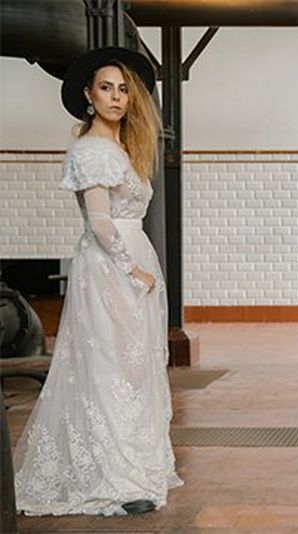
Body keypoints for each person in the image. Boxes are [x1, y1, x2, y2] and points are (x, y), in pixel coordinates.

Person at [13, 47, 182, 516]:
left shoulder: (119, 147)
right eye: (106, 88)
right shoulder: (92, 150)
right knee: (113, 368)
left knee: (134, 367)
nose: (116, 97)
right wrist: (134, 271)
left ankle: (134, 465)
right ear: (88, 95)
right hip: (112, 267)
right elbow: (101, 223)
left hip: (129, 262)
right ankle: (117, 477)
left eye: (124, 88)